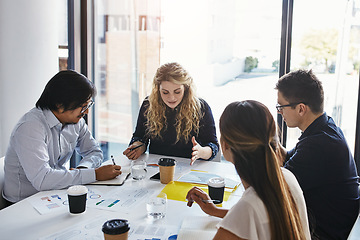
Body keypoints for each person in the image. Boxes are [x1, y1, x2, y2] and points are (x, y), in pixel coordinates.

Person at [186, 100, 311, 240]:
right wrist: (214, 211)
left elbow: (249, 215)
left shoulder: (248, 207)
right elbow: (263, 218)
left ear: (225, 144)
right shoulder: (286, 177)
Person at [2, 70, 121, 204]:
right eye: (82, 107)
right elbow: (43, 179)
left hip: (55, 194)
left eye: (88, 105)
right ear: (59, 105)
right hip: (23, 203)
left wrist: (84, 169)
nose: (86, 112)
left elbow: (93, 151)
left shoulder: (75, 121)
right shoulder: (30, 127)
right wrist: (95, 174)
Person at [275, 69, 359, 239]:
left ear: (301, 109)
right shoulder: (325, 128)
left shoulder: (319, 145)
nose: (279, 112)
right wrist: (269, 139)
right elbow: (287, 158)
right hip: (335, 223)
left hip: (325, 233)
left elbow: (277, 188)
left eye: (281, 106)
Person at [123, 62, 219, 165]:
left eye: (177, 92)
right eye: (165, 92)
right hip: (157, 168)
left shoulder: (201, 107)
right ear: (158, 89)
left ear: (186, 88)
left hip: (190, 168)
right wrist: (138, 146)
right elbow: (139, 136)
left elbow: (213, 145)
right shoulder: (149, 104)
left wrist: (201, 152)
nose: (171, 98)